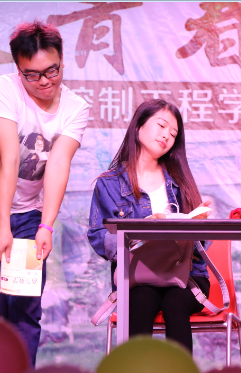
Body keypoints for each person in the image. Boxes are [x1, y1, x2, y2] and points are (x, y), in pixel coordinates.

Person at [0, 20, 89, 365]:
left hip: (27, 213)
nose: (45, 81)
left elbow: (58, 165)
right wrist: (1, 225)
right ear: (18, 69)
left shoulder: (75, 108)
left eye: (52, 70)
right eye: (32, 74)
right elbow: (9, 158)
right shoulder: (3, 90)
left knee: (25, 305)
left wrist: (46, 226)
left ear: (62, 61)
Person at [88, 99, 211, 353]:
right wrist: (138, 233)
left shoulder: (181, 182)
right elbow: (99, 236)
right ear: (138, 127)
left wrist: (198, 224)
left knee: (175, 304)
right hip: (138, 277)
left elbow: (201, 247)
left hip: (187, 277)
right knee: (142, 301)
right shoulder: (109, 184)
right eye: (161, 126)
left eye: (173, 134)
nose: (167, 136)